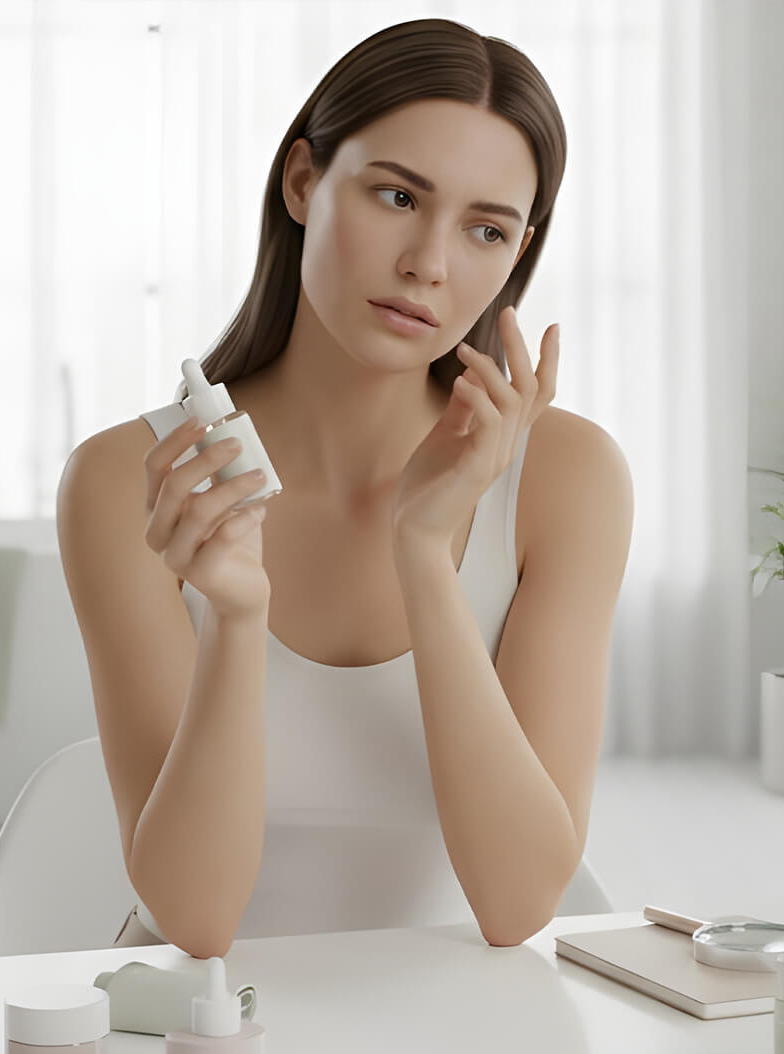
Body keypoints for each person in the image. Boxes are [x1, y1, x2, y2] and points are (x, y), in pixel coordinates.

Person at [57, 18, 633, 960]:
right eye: (399, 195)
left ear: (518, 252)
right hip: (197, 1042)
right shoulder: (129, 479)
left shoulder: (566, 481)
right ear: (302, 182)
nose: (430, 263)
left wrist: (426, 557)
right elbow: (197, 920)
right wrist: (236, 618)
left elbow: (519, 899)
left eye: (486, 229)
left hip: (457, 1036)